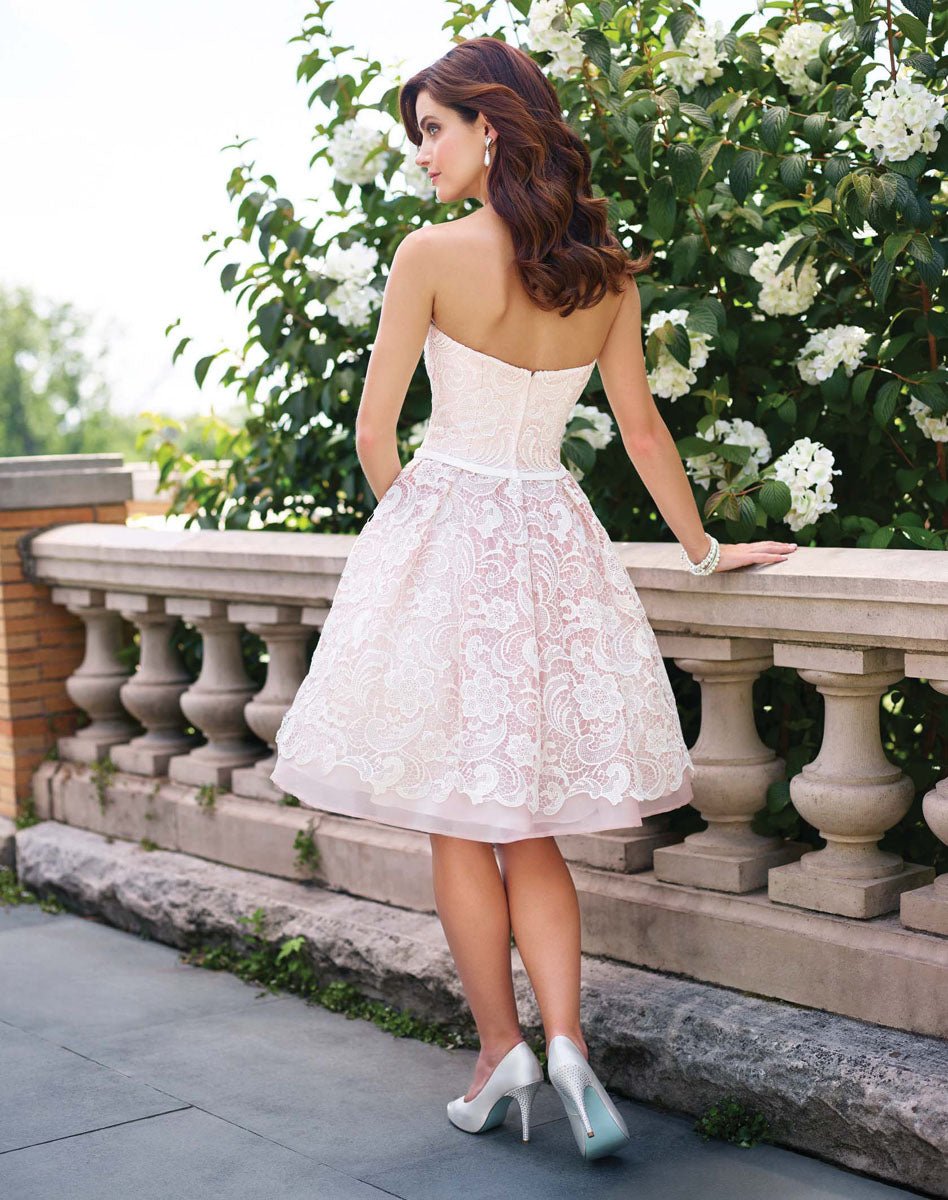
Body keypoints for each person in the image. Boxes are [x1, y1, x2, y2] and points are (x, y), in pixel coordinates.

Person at [270, 34, 796, 1161]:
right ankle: (569, 1047)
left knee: (460, 819)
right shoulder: (604, 273)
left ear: (490, 127)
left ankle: (500, 1050)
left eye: (433, 131)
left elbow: (375, 434)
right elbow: (642, 432)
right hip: (554, 540)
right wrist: (705, 550)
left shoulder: (428, 255)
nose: (422, 155)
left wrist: (416, 540)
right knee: (532, 824)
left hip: (453, 535)